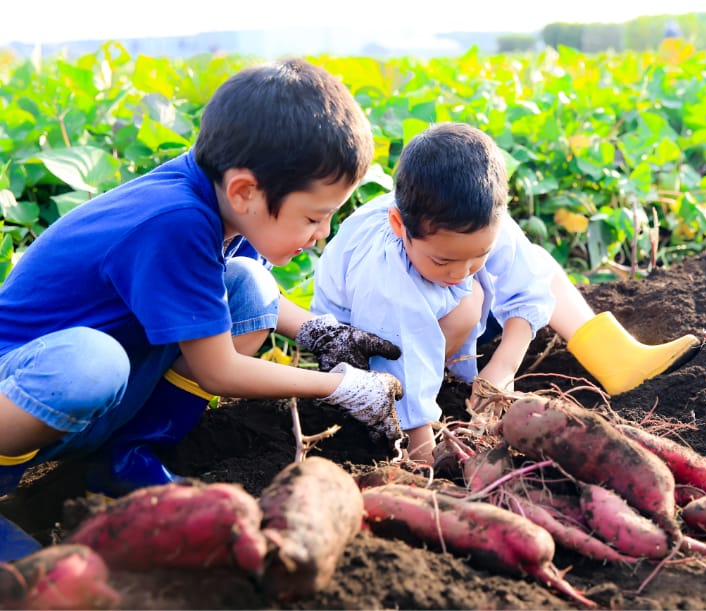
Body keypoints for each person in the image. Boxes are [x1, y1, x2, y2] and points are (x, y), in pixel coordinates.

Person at [0, 58, 405, 561]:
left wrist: (321, 332)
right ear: (245, 190)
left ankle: (127, 456)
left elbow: (238, 297)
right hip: (22, 386)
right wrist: (341, 387)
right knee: (90, 361)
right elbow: (218, 370)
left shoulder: (223, 198)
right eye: (314, 217)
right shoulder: (176, 221)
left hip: (90, 398)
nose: (320, 234)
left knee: (250, 287)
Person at [310, 122, 702, 464]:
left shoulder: (478, 219)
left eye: (476, 256)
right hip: (368, 358)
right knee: (467, 305)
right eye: (443, 261)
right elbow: (399, 363)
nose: (460, 271)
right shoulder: (386, 280)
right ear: (399, 225)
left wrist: (503, 369)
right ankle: (443, 382)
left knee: (535, 263)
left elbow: (528, 288)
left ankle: (615, 360)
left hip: (437, 321)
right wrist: (422, 453)